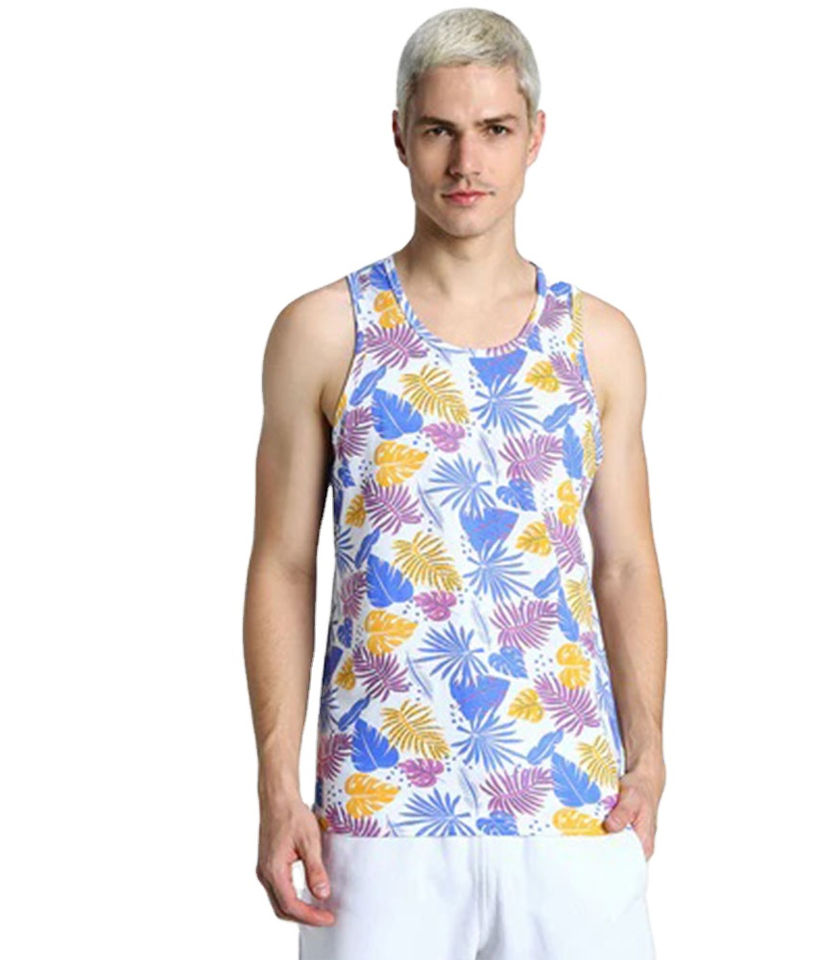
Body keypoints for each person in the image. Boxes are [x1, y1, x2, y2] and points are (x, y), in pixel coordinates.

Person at [243, 8, 667, 959]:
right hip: (378, 809)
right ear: (400, 134)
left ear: (535, 136)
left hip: (571, 803)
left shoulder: (597, 341)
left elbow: (627, 564)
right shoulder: (325, 332)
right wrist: (277, 787)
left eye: (494, 129)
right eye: (440, 129)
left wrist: (648, 756)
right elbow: (282, 564)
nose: (466, 161)